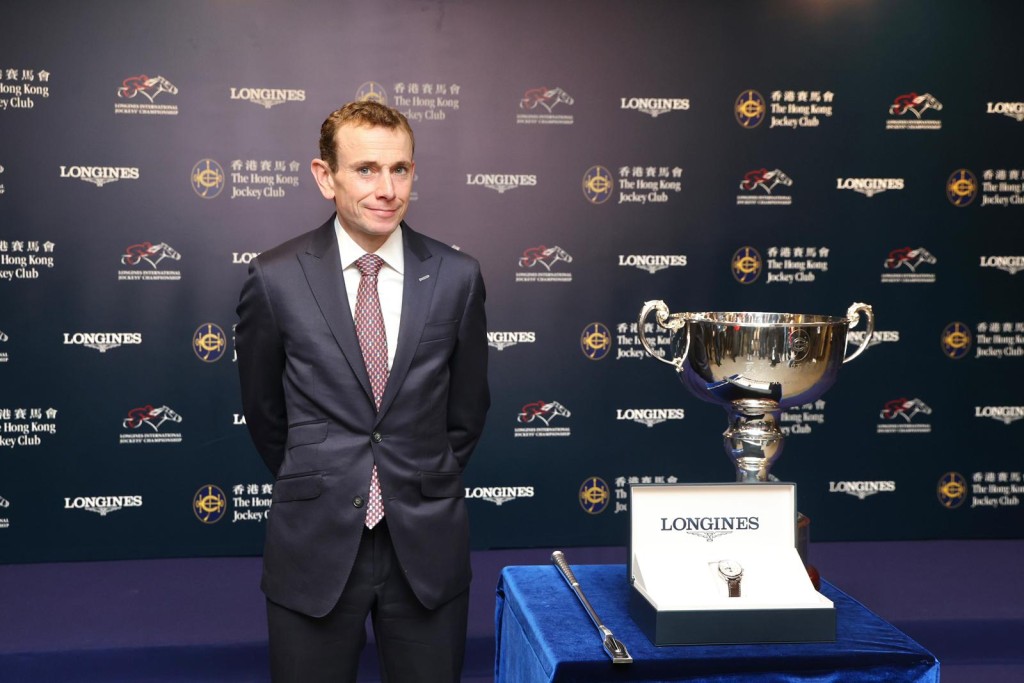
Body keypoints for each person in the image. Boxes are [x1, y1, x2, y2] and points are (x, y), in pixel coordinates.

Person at [236, 100, 490, 682]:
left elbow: (467, 410)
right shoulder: (275, 278)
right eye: (366, 169)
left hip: (426, 547)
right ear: (325, 177)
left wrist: (420, 477)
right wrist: (320, 476)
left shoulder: (457, 276)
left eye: (400, 169)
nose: (387, 188)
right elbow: (263, 411)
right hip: (315, 546)